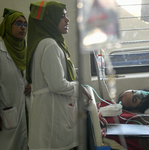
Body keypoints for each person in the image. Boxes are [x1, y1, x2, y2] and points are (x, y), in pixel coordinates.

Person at [26, 1, 91, 150]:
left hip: (51, 110)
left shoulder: (47, 43)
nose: (67, 20)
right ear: (50, 19)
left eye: (66, 16)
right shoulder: (50, 45)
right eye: (62, 16)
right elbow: (57, 84)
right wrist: (78, 88)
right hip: (52, 114)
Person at [0, 8, 31, 150]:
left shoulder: (27, 50)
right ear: (7, 25)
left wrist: (33, 83)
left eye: (25, 24)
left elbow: (32, 76)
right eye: (18, 23)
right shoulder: (1, 50)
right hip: (7, 112)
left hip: (28, 108)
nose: (23, 27)